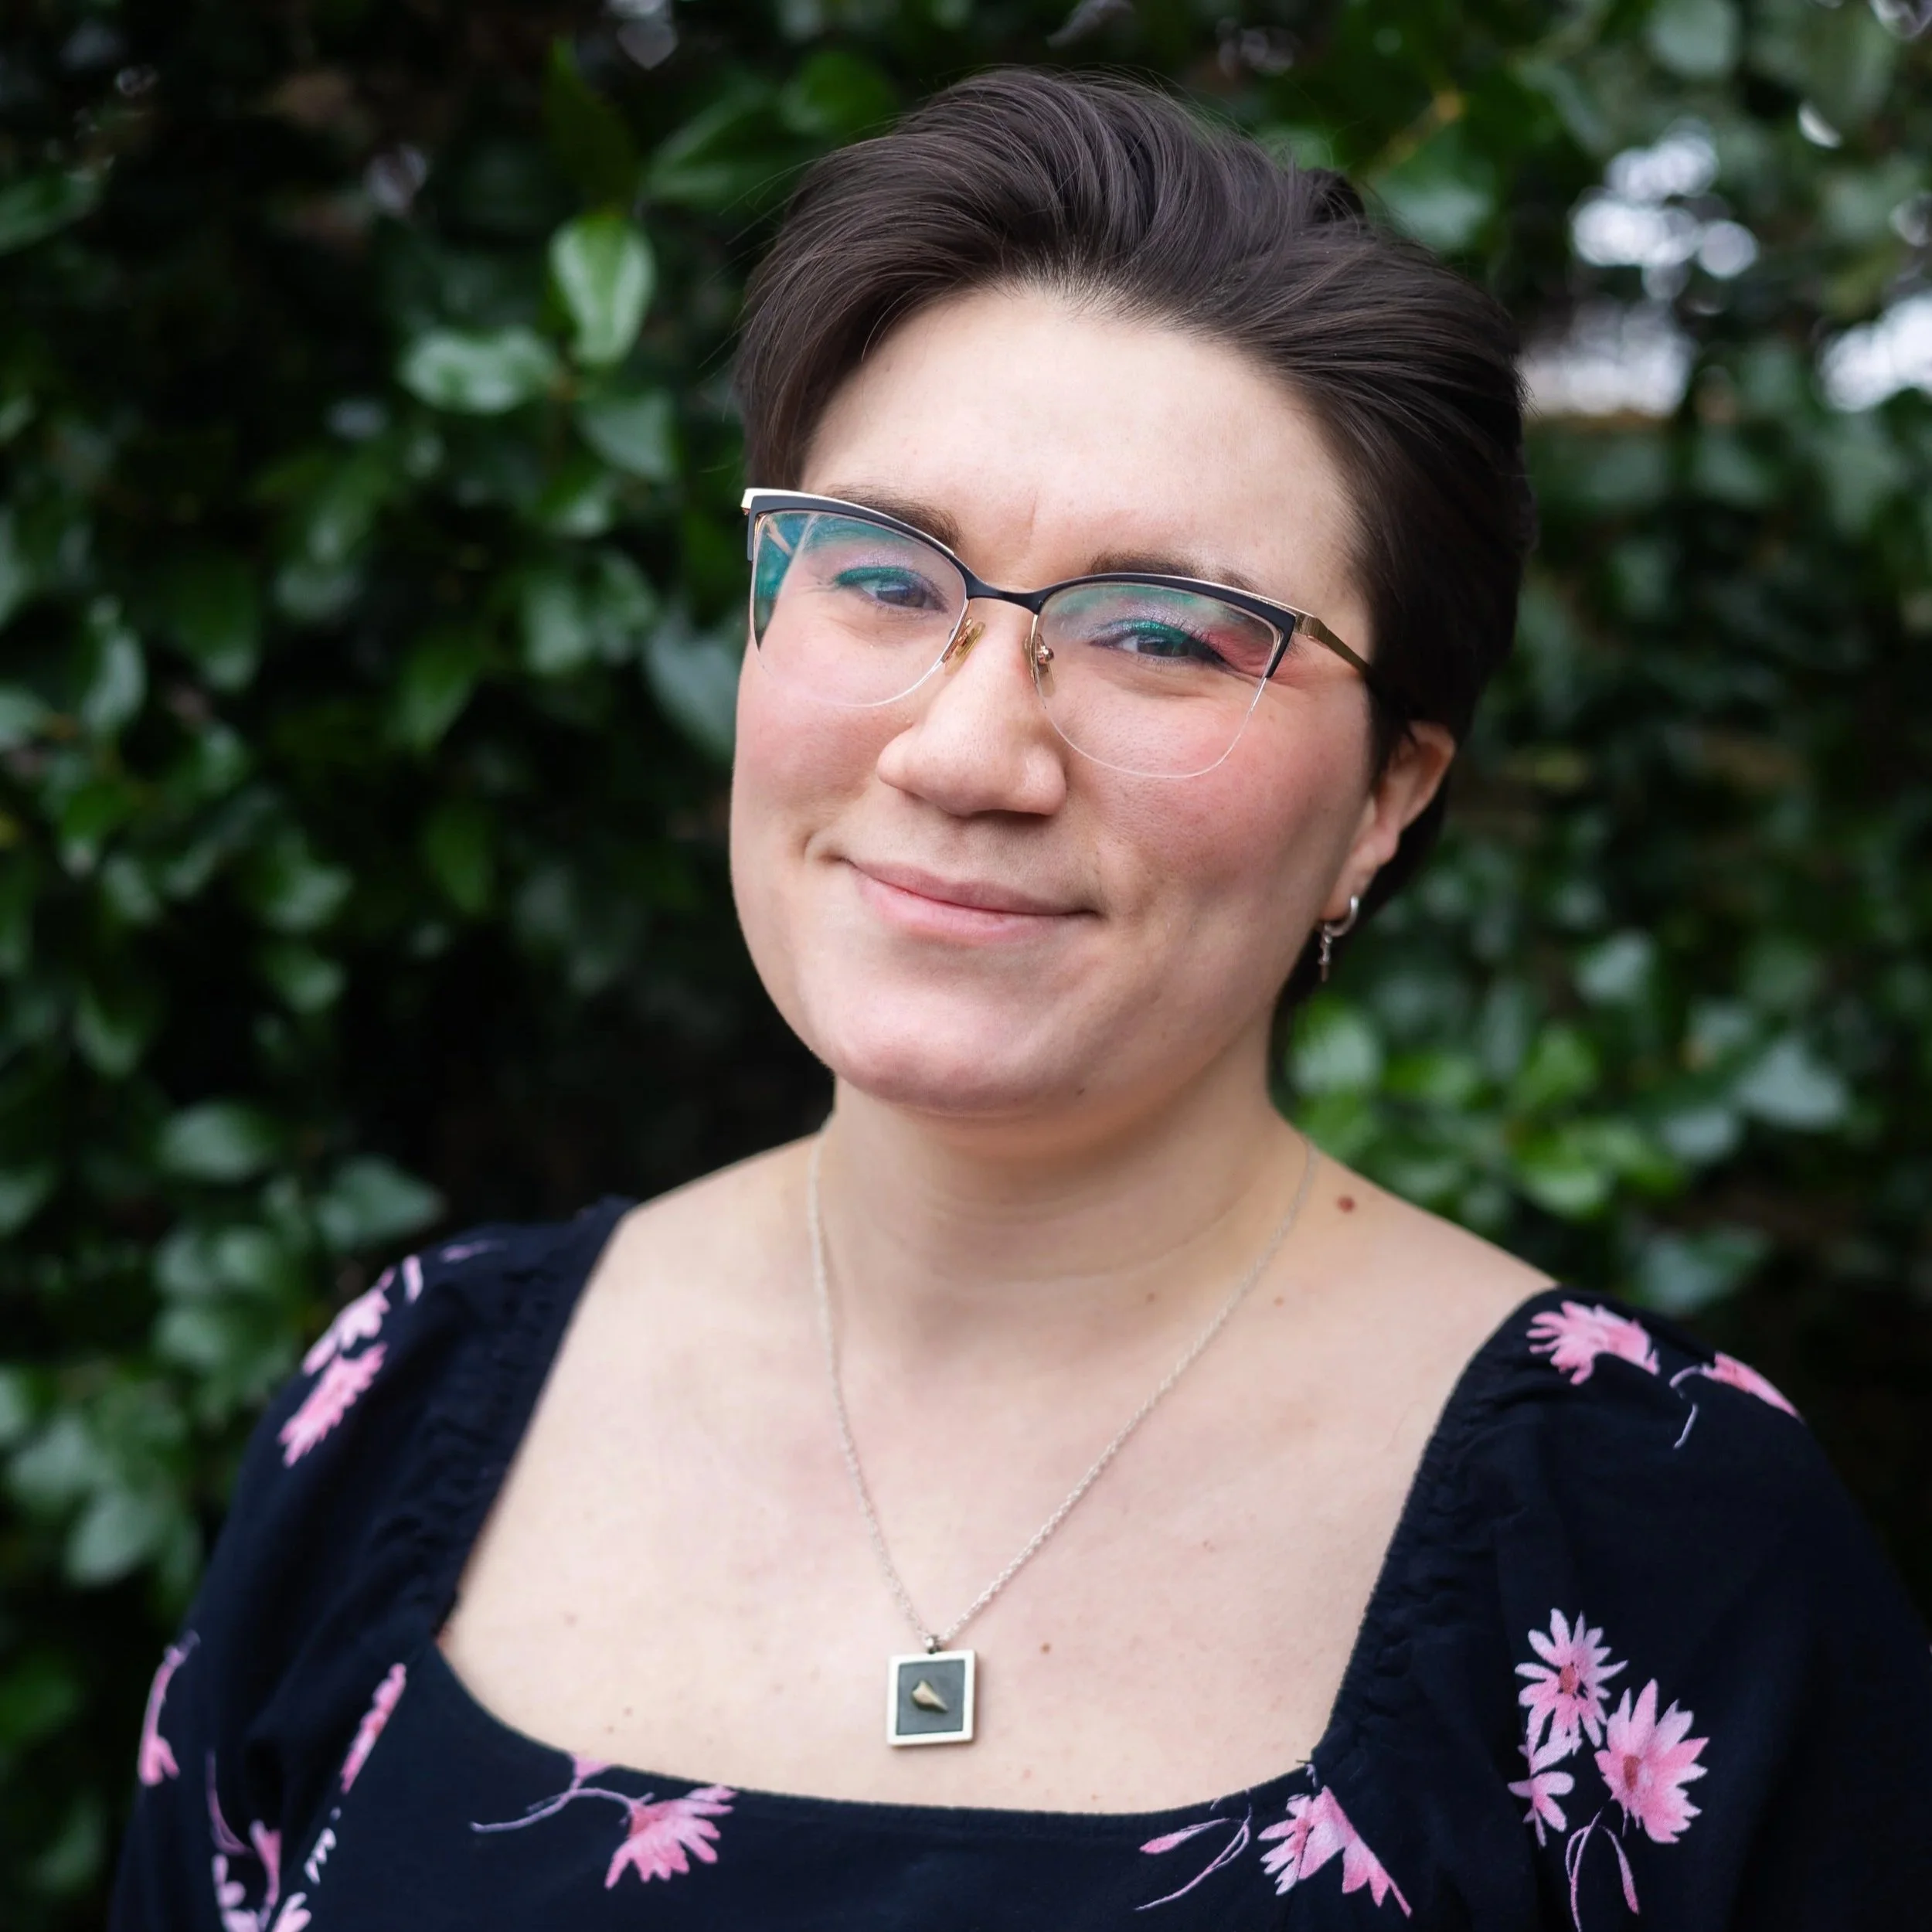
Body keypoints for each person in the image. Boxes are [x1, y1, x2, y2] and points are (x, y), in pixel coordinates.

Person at [114, 68, 1932, 1930]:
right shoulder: (404, 1410)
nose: (968, 747)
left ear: (1387, 795)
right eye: (882, 576)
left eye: (1161, 633)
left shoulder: (1665, 1545)